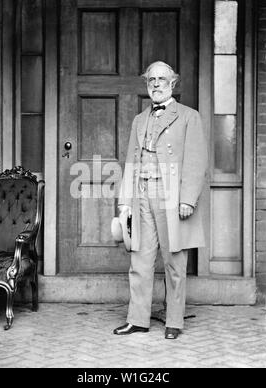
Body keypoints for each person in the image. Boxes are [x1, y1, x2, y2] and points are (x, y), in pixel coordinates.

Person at [113, 61, 208, 340]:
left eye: (161, 79)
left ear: (173, 84)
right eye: (151, 79)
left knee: (174, 260)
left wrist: (188, 199)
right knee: (139, 260)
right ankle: (138, 319)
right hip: (142, 194)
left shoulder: (189, 117)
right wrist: (125, 203)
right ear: (146, 84)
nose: (155, 84)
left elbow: (196, 161)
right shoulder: (139, 120)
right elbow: (130, 161)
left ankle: (174, 320)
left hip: (173, 198)